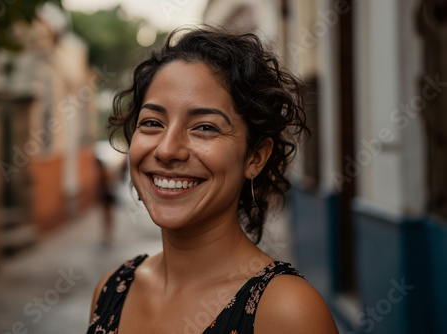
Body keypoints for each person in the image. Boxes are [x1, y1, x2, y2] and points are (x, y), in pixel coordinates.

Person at [87, 27, 339, 334]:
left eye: (205, 127)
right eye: (152, 122)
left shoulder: (288, 313)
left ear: (255, 157)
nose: (167, 150)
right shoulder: (112, 291)